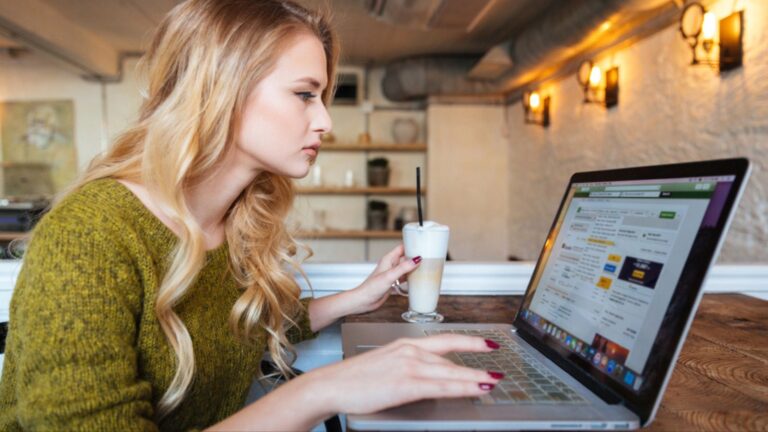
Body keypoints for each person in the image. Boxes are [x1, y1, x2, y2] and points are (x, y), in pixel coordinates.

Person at [0, 1, 502, 430]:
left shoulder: (232, 221)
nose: (324, 121)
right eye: (305, 94)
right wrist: (323, 391)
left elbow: (238, 328)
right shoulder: (91, 236)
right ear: (222, 88)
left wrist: (354, 298)